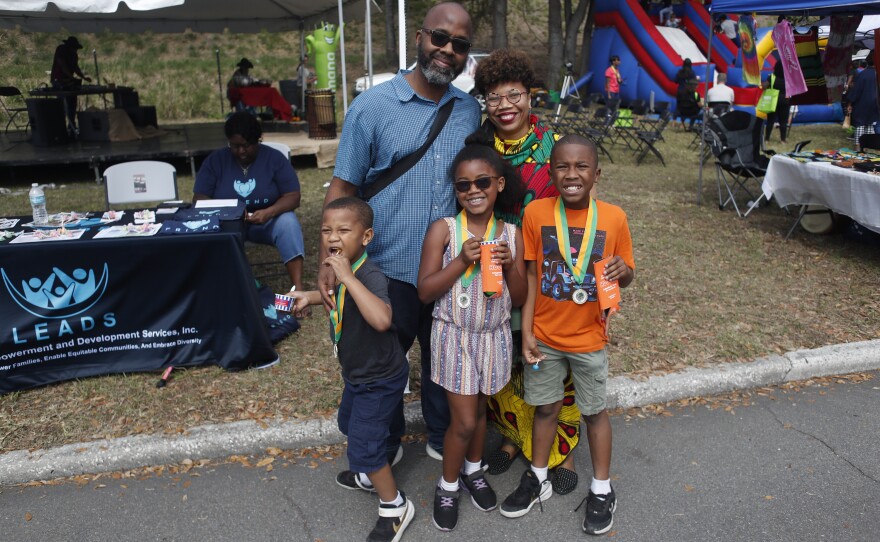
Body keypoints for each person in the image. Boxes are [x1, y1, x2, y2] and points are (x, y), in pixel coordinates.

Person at [322, 2, 482, 469]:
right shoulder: (373, 107)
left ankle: (439, 432)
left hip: (449, 268)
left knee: (443, 356)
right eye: (439, 38)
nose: (447, 50)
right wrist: (327, 262)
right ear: (419, 37)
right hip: (385, 267)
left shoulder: (468, 111)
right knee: (385, 363)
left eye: (460, 45)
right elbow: (343, 188)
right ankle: (382, 443)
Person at [499, 135, 635, 537]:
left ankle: (601, 488)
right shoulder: (537, 213)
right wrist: (526, 333)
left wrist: (621, 272)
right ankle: (538, 476)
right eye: (562, 166)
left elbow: (626, 272)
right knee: (545, 408)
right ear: (551, 171)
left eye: (581, 167)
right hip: (544, 336)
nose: (571, 174)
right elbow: (532, 275)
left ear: (596, 173)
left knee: (594, 412)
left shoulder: (613, 217)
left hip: (590, 339)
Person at [469, 48, 582, 497]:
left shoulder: (556, 148)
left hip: (548, 270)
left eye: (512, 93)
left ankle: (565, 450)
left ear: (529, 94)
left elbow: (581, 211)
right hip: (494, 269)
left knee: (549, 360)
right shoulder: (478, 149)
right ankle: (517, 441)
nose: (504, 105)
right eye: (493, 97)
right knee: (505, 357)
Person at [285, 197, 415, 542]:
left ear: (367, 236)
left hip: (380, 376)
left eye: (344, 230)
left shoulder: (367, 274)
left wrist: (346, 277)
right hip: (358, 373)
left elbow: (383, 318)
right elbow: (338, 296)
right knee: (350, 424)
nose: (333, 236)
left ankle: (395, 507)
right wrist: (311, 297)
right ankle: (382, 457)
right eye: (327, 229)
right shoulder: (345, 269)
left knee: (363, 449)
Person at [417, 143, 527, 531]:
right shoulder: (444, 231)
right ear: (456, 191)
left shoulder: (512, 234)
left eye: (482, 181)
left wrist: (512, 266)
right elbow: (425, 291)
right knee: (463, 421)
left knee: (480, 412)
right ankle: (447, 486)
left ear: (498, 184)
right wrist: (462, 260)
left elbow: (521, 296)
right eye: (463, 185)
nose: (473, 190)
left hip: (493, 337)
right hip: (455, 337)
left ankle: (473, 470)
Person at [193, 112, 306, 293]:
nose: (240, 151)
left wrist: (268, 212)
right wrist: (229, 213)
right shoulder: (215, 161)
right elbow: (199, 199)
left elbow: (293, 196)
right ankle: (221, 289)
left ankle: (298, 289)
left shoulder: (274, 159)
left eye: (246, 146)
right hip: (228, 223)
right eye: (234, 146)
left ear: (257, 141)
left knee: (289, 223)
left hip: (268, 220)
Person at [50, 36, 91, 131]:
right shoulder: (61, 50)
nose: (75, 50)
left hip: (68, 81)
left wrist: (83, 77)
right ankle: (61, 127)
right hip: (58, 80)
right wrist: (71, 77)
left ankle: (71, 126)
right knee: (61, 104)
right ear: (70, 46)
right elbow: (62, 64)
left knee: (72, 103)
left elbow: (76, 67)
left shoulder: (74, 55)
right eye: (74, 48)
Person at [845, 55, 878, 151]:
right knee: (870, 127)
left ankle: (858, 152)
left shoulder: (863, 74)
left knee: (860, 128)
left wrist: (850, 103)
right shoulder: (876, 74)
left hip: (862, 105)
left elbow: (856, 91)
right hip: (875, 105)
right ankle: (867, 152)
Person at [764, 61, 790, 143]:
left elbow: (764, 86)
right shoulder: (788, 78)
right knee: (783, 121)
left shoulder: (772, 77)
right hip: (785, 100)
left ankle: (767, 139)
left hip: (773, 100)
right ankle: (783, 140)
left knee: (770, 121)